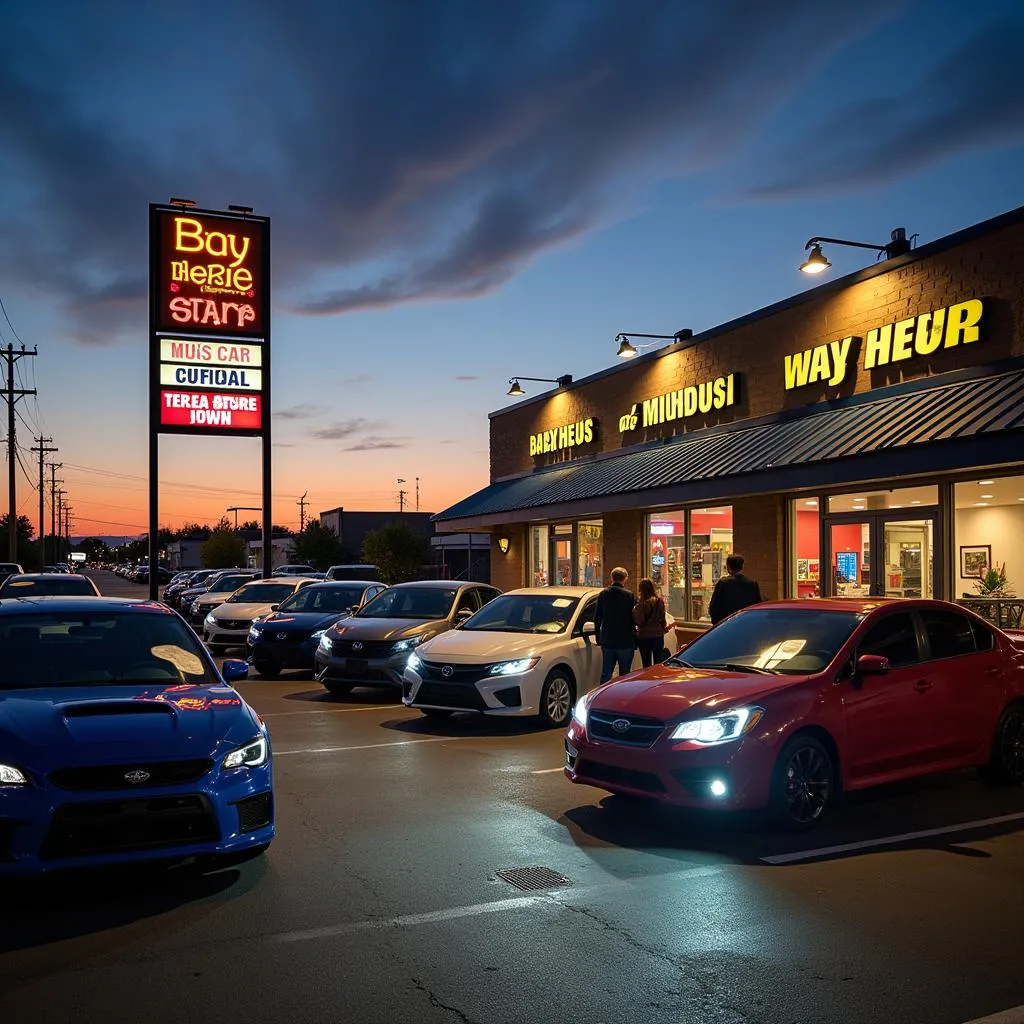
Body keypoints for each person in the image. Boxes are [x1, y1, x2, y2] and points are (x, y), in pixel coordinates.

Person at [594, 566, 636, 683]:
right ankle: (623, 697)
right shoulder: (629, 595)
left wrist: (598, 637)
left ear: (611, 578)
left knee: (606, 673)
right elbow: (635, 617)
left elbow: (597, 617)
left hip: (608, 640)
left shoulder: (603, 594)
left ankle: (603, 696)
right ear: (625, 579)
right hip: (625, 640)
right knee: (625, 674)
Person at [708, 554, 763, 625]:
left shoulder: (723, 583)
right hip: (746, 623)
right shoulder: (752, 584)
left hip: (726, 624)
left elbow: (714, 607)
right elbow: (757, 605)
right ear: (742, 567)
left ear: (728, 567)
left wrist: (716, 624)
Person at [632, 577, 668, 667]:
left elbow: (637, 620)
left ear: (641, 589)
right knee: (658, 661)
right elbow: (662, 618)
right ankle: (657, 678)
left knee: (646, 662)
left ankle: (648, 679)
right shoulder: (659, 602)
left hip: (643, 636)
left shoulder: (639, 604)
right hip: (657, 635)